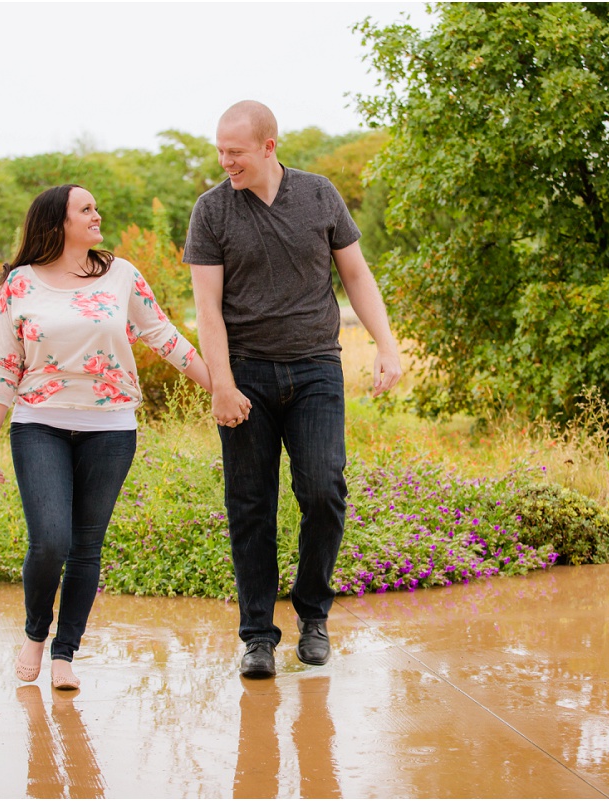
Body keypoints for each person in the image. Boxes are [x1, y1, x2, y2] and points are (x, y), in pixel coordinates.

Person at [184, 100, 403, 679]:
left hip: (314, 370)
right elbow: (207, 308)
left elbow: (356, 274)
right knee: (250, 507)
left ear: (268, 146)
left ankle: (313, 615)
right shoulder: (211, 211)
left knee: (325, 491)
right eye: (220, 151)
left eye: (235, 152)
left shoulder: (318, 195)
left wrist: (386, 344)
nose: (225, 161)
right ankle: (257, 636)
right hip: (246, 375)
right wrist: (221, 386)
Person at [0, 184, 212, 691]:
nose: (97, 215)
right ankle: (36, 633)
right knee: (50, 541)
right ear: (58, 222)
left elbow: (162, 336)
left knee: (86, 546)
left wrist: (221, 387)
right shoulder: (19, 284)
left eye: (95, 207)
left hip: (110, 428)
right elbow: (6, 361)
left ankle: (65, 655)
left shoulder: (121, 274)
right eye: (85, 209)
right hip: (37, 421)